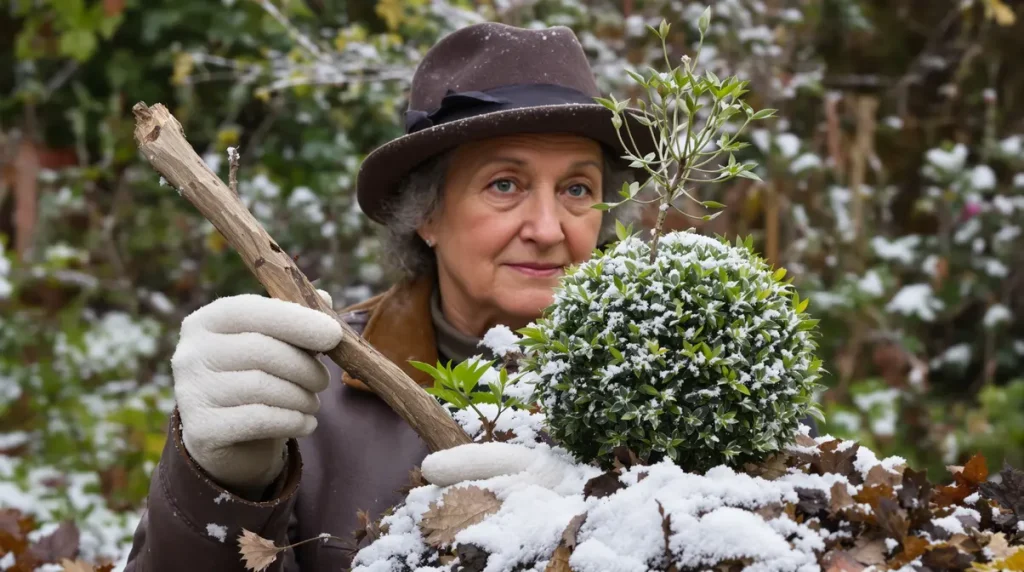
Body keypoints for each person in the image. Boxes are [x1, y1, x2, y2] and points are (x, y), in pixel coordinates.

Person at [123, 20, 659, 571]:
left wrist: (592, 516)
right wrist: (220, 482)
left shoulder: (670, 388)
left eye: (577, 189)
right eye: (505, 184)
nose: (549, 229)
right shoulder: (311, 393)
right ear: (426, 213)